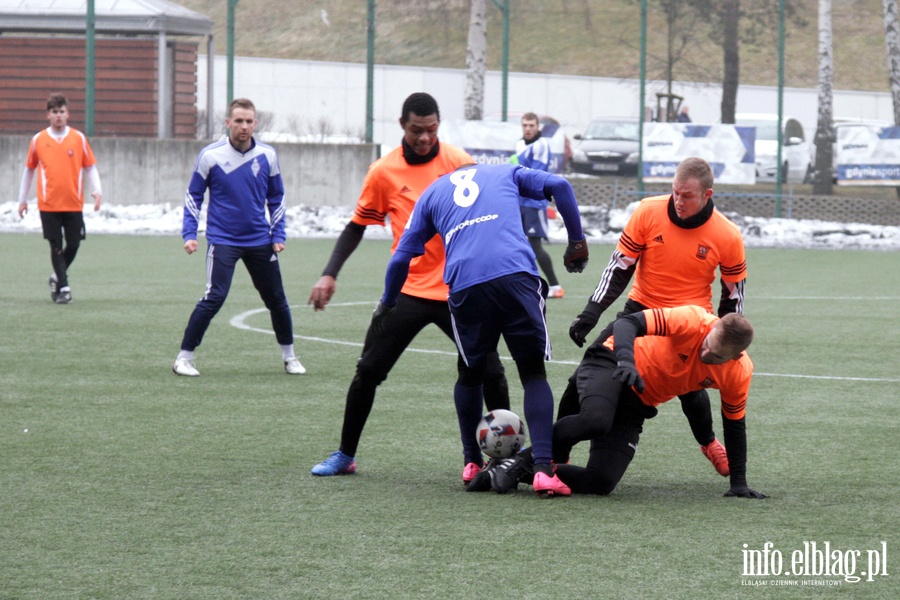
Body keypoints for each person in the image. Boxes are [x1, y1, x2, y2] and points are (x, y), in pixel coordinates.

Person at [308, 93, 511, 482]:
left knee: (490, 369)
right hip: (410, 290)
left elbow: (487, 216)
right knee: (367, 371)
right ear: (402, 125)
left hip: (459, 289)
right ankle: (345, 454)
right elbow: (356, 226)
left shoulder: (459, 163)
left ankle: (500, 457)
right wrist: (329, 272)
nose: (425, 138)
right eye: (417, 130)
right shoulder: (384, 172)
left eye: (432, 130)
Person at [374, 162, 589, 497]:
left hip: (466, 285)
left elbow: (401, 258)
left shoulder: (431, 193)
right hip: (516, 275)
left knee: (471, 372)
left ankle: (472, 462)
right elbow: (559, 185)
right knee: (532, 374)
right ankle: (544, 470)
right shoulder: (505, 172)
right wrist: (577, 241)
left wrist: (387, 302)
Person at [564, 156, 746, 478]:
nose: (678, 201)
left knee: (691, 387)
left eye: (687, 195)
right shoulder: (648, 211)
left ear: (708, 195)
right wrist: (592, 312)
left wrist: (725, 339)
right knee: (584, 375)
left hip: (693, 322)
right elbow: (620, 267)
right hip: (641, 310)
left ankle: (709, 443)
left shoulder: (728, 235)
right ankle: (556, 453)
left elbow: (733, 296)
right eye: (675, 192)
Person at [477, 305, 767, 499]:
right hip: (611, 361)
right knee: (596, 420)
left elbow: (735, 424)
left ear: (735, 356)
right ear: (712, 328)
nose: (705, 354)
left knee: (601, 482)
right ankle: (519, 463)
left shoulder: (739, 373)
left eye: (715, 356)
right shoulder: (694, 320)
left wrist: (738, 483)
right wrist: (627, 359)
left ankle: (510, 467)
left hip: (638, 402)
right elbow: (628, 322)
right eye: (706, 344)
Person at [173, 97, 304, 377]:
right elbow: (193, 195)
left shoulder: (267, 156)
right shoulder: (211, 155)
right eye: (238, 121)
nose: (244, 126)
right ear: (228, 123)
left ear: (255, 124)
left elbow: (277, 197)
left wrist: (278, 233)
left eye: (249, 121)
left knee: (277, 299)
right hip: (223, 240)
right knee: (214, 296)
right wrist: (189, 233)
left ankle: (290, 356)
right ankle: (184, 358)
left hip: (259, 240)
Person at [17, 93, 102, 305]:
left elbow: (90, 166)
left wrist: (97, 190)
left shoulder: (78, 138)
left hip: (73, 203)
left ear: (68, 114)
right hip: (49, 203)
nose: (58, 116)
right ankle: (64, 288)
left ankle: (56, 277)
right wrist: (22, 199)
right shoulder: (39, 140)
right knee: (55, 245)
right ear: (48, 114)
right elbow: (29, 170)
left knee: (73, 244)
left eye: (61, 112)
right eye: (54, 112)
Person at [514, 112, 564, 298]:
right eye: (525, 125)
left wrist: (514, 171)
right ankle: (522, 284)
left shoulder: (542, 144)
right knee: (515, 243)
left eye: (531, 125)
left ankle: (555, 285)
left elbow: (533, 173)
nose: (528, 129)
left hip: (534, 202)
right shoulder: (519, 144)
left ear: (537, 127)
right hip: (519, 201)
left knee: (535, 245)